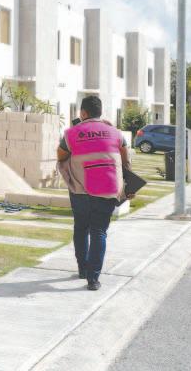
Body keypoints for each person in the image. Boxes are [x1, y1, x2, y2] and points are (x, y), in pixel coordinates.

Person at [57, 96, 132, 291]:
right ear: (100, 112)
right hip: (107, 189)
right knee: (99, 231)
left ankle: (83, 269)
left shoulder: (71, 133)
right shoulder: (116, 133)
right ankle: (93, 279)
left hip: (80, 190)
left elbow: (61, 156)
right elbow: (125, 160)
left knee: (81, 228)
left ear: (83, 113)